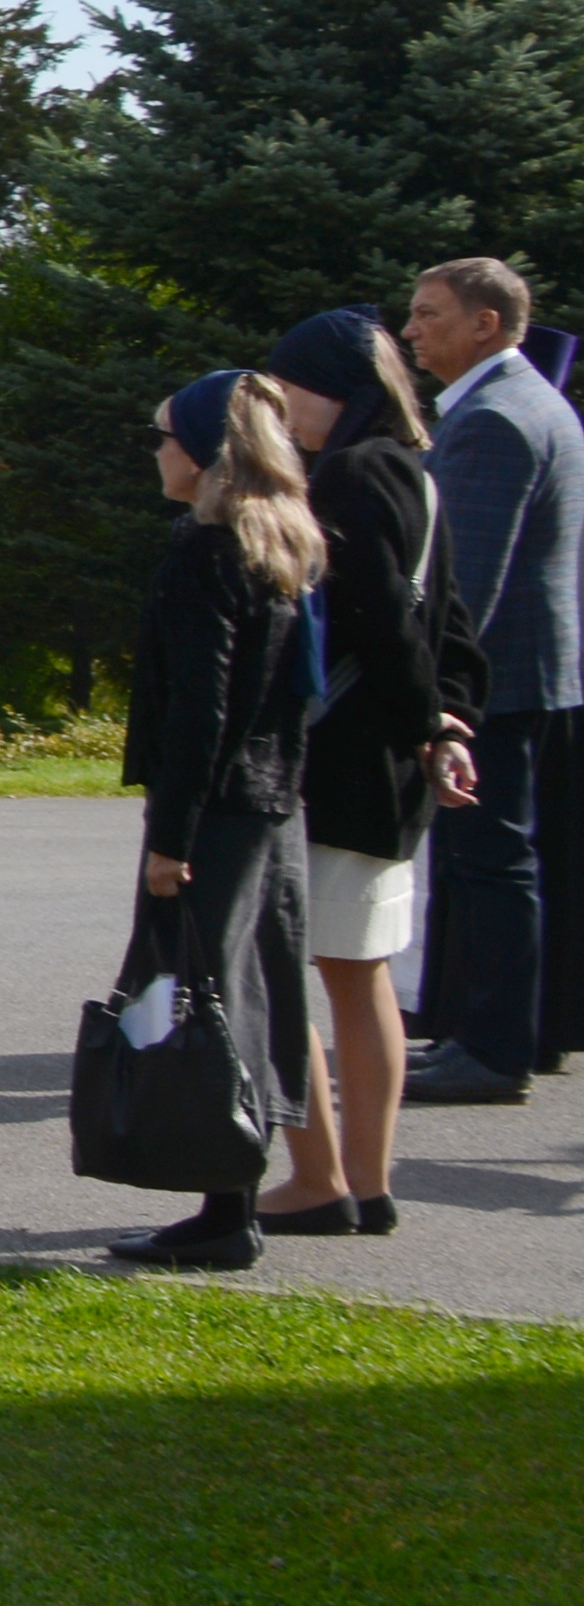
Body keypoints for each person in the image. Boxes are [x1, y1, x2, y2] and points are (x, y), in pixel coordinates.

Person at [266, 307, 477, 1236]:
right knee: (364, 978)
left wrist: (420, 716)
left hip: (340, 755)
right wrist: (444, 721)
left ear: (332, 391)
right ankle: (369, 1178)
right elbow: (451, 622)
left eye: (291, 393)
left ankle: (319, 1178)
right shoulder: (414, 473)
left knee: (284, 969)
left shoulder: (349, 473)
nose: (283, 415)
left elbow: (386, 616)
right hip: (391, 760)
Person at [105, 374, 323, 1269]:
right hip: (273, 806)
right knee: (252, 996)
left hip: (220, 814)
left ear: (201, 451)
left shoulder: (208, 553)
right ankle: (230, 1193)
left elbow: (204, 708)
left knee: (208, 1002)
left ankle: (226, 1209)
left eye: (161, 436)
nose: (154, 452)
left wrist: (171, 840)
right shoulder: (281, 545)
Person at [404, 252, 584, 1106]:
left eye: (428, 314)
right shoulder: (533, 403)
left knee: (490, 861)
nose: (410, 331)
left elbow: (466, 580)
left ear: (486, 323)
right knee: (511, 857)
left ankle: (491, 1046)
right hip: (533, 671)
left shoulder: (495, 420)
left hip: (499, 679)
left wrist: (441, 697)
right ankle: (513, 1034)